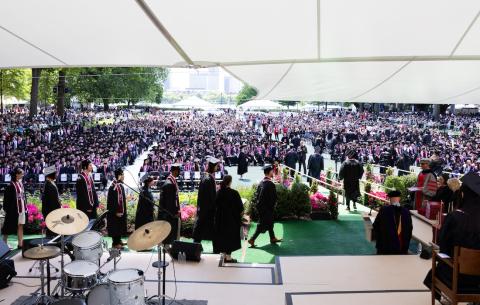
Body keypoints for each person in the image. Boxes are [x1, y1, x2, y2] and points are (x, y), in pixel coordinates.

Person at [423, 172, 480, 302]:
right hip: (479, 280)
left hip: (458, 278)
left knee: (438, 267)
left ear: (463, 194)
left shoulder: (455, 217)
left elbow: (443, 248)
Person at [248, 165, 282, 247]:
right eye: (272, 171)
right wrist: (272, 206)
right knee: (262, 224)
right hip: (266, 208)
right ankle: (252, 239)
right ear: (270, 172)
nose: (273, 172)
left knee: (270, 223)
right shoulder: (270, 184)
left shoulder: (261, 182)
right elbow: (273, 198)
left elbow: (257, 195)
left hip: (261, 207)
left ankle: (272, 238)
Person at [213, 175, 244, 263]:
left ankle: (223, 257)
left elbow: (215, 206)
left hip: (220, 221)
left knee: (222, 238)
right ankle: (228, 258)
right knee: (230, 238)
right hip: (232, 221)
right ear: (230, 182)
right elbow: (241, 209)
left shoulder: (219, 192)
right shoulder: (234, 193)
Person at [373, 190, 413, 255]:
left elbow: (375, 226)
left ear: (390, 199)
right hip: (401, 248)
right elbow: (410, 230)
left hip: (385, 249)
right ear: (399, 199)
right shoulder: (406, 212)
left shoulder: (384, 210)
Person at [193, 157, 219, 243]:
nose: (217, 168)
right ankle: (196, 246)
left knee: (201, 229)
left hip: (205, 208)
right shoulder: (208, 179)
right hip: (207, 209)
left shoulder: (207, 177)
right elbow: (210, 196)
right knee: (201, 228)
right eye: (216, 166)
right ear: (212, 167)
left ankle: (197, 245)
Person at [1, 168, 27, 249]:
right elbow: (6, 200)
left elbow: (23, 197)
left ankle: (20, 244)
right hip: (13, 210)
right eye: (21, 174)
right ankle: (4, 244)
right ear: (17, 174)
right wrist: (7, 210)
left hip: (21, 209)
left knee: (20, 226)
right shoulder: (11, 185)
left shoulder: (21, 184)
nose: (23, 175)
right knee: (7, 227)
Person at [158, 163, 181, 245]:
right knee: (169, 236)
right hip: (169, 215)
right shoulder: (169, 184)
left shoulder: (171, 181)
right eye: (178, 171)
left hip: (169, 214)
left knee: (170, 236)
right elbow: (169, 202)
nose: (179, 173)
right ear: (175, 171)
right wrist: (174, 213)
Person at [107, 168, 127, 250]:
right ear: (119, 176)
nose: (124, 177)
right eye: (123, 175)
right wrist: (116, 211)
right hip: (114, 212)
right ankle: (115, 243)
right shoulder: (113, 187)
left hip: (120, 211)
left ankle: (118, 240)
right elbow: (112, 201)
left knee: (119, 225)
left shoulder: (120, 186)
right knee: (115, 226)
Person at [42, 165, 61, 237]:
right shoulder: (49, 185)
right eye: (55, 173)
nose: (56, 175)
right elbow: (52, 200)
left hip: (52, 210)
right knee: (51, 230)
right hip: (50, 210)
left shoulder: (51, 183)